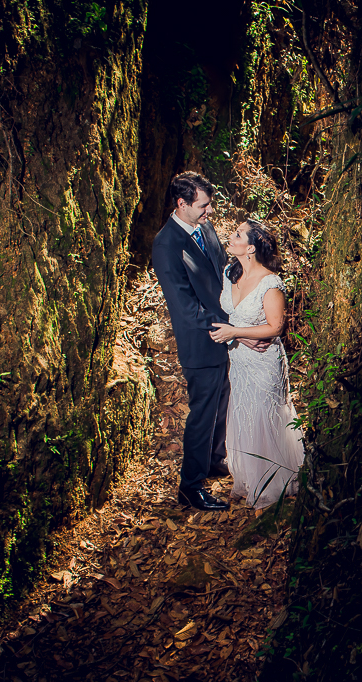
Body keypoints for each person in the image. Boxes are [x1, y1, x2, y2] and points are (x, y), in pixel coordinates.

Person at [151, 172, 245, 511]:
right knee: (202, 414)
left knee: (222, 401)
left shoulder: (203, 227)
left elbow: (220, 269)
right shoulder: (165, 245)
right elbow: (185, 306)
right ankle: (190, 487)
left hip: (225, 332)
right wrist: (231, 325)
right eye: (203, 206)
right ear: (182, 204)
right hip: (201, 340)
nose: (209, 212)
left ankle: (215, 461)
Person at [208, 220, 305, 508]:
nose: (231, 236)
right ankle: (248, 477)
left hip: (264, 362)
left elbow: (276, 328)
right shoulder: (230, 272)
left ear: (250, 247)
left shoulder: (270, 282)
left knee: (265, 416)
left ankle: (272, 484)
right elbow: (229, 315)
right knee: (243, 413)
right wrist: (237, 334)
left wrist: (237, 332)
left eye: (237, 234)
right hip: (238, 359)